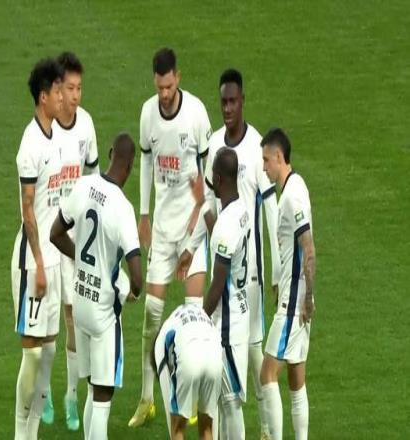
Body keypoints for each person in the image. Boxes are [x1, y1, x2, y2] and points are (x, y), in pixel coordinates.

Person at [178, 68, 280, 439]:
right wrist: (191, 248)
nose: (227, 108)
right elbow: (207, 202)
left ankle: (267, 432)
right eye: (223, 101)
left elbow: (270, 212)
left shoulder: (256, 147)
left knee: (255, 367)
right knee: (229, 377)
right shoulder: (215, 146)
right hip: (226, 265)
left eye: (233, 101)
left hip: (249, 280)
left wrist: (277, 273)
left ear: (242, 101)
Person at [129, 47, 212, 428]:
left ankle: (192, 400)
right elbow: (147, 159)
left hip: (192, 229)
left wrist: (200, 216)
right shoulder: (148, 113)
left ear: (178, 77)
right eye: (159, 87)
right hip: (162, 231)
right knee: (151, 315)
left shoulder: (195, 113)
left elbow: (207, 172)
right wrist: (144, 213)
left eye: (169, 86)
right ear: (155, 81)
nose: (164, 94)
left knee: (195, 315)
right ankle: (147, 397)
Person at [50, 133, 143, 440]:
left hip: (80, 303)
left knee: (92, 387)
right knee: (104, 395)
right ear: (131, 166)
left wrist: (82, 259)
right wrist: (132, 291)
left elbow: (55, 233)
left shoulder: (83, 185)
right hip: (103, 314)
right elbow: (137, 277)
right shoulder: (123, 208)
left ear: (110, 152)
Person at [41, 51, 100, 431]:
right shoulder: (45, 130)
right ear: (57, 89)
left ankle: (71, 396)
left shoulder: (86, 125)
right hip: (50, 239)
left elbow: (93, 179)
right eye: (69, 88)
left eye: (79, 88)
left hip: (75, 238)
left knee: (73, 318)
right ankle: (45, 391)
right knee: (49, 326)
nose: (75, 96)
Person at [10, 58, 63, 440]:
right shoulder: (30, 145)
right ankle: (20, 434)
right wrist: (40, 264)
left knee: (48, 353)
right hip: (33, 263)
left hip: (55, 261)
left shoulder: (56, 137)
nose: (63, 97)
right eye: (58, 91)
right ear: (43, 97)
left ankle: (31, 435)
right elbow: (28, 211)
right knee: (31, 353)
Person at [191, 147, 251, 439]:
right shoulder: (240, 210)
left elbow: (217, 283)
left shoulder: (227, 223)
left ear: (217, 178)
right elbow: (222, 241)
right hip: (240, 312)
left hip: (227, 324)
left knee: (229, 401)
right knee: (226, 400)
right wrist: (205, 209)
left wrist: (199, 321)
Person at [259, 128, 315, 440]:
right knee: (296, 377)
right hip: (298, 297)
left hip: (294, 303)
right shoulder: (297, 186)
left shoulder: (291, 197)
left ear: (279, 157)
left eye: (267, 160)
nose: (264, 167)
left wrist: (307, 298)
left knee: (267, 373)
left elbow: (309, 249)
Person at [153, 304, 222, 440]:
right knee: (207, 427)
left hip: (189, 356)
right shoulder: (178, 318)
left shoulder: (160, 346)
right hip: (215, 356)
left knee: (177, 428)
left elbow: (169, 407)